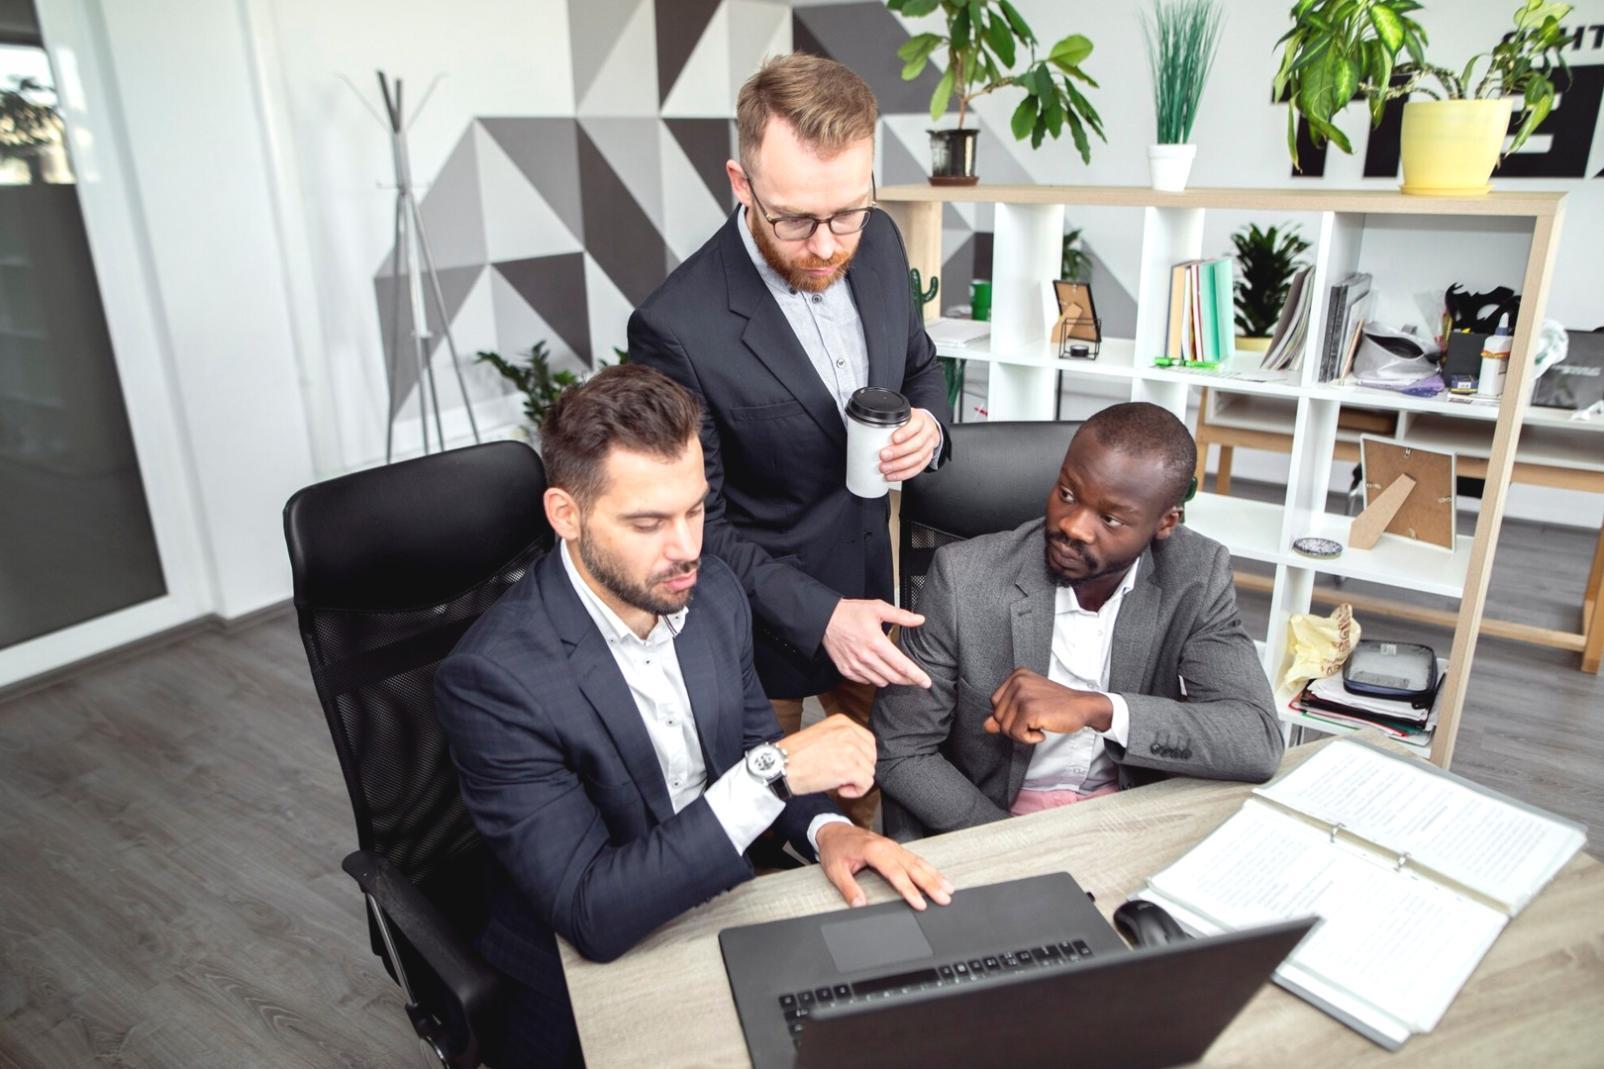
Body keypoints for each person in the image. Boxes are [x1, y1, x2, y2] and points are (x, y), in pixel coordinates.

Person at [434, 365, 951, 1068]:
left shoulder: (709, 593)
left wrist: (827, 828)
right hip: (583, 980)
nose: (686, 548)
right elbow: (595, 913)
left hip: (716, 912)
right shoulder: (493, 680)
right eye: (647, 521)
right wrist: (776, 774)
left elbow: (749, 741)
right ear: (566, 513)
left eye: (696, 509)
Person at [629, 53, 954, 823]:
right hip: (755, 634)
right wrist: (821, 616)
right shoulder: (675, 327)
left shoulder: (876, 243)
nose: (826, 246)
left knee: (863, 813)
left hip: (875, 601)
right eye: (797, 219)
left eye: (846, 212)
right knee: (762, 832)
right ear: (741, 184)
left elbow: (919, 362)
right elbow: (699, 525)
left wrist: (928, 424)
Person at [872, 402, 1284, 838]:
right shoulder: (963, 578)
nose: (1074, 527)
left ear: (1165, 523)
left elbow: (1255, 739)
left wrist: (1100, 709)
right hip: (996, 821)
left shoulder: (1196, 574)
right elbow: (900, 749)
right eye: (1067, 494)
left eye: (1110, 518)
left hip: (1130, 817)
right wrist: (1008, 845)